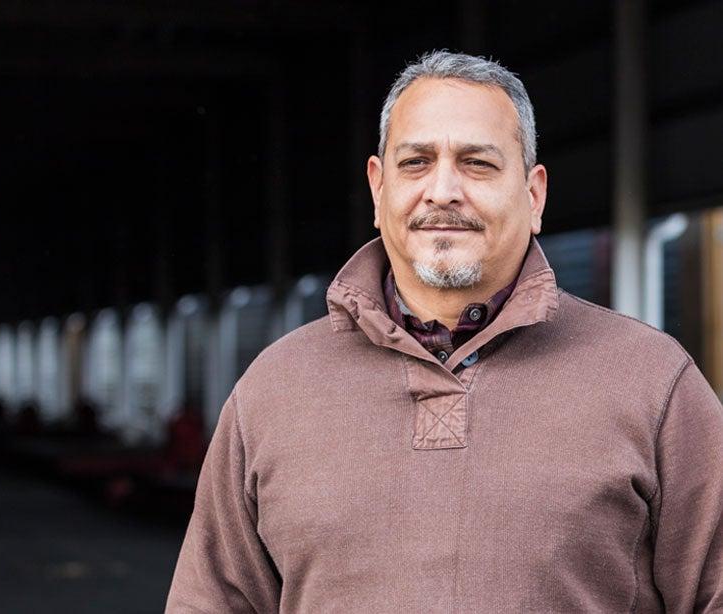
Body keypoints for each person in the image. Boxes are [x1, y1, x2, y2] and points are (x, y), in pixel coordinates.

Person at [166, 51, 723, 612]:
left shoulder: (654, 383)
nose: (443, 190)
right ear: (378, 190)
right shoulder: (273, 390)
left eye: (477, 163)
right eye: (416, 162)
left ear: (534, 196)